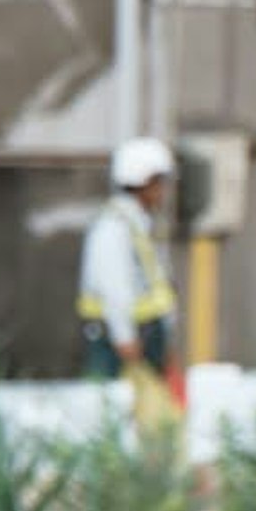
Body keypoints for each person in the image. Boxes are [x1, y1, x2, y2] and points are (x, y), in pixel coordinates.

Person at [79, 137, 181, 404]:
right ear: (143, 182)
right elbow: (115, 289)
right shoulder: (113, 228)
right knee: (116, 410)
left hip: (145, 337)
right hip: (121, 344)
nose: (162, 192)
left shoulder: (137, 224)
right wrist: (125, 338)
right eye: (158, 183)